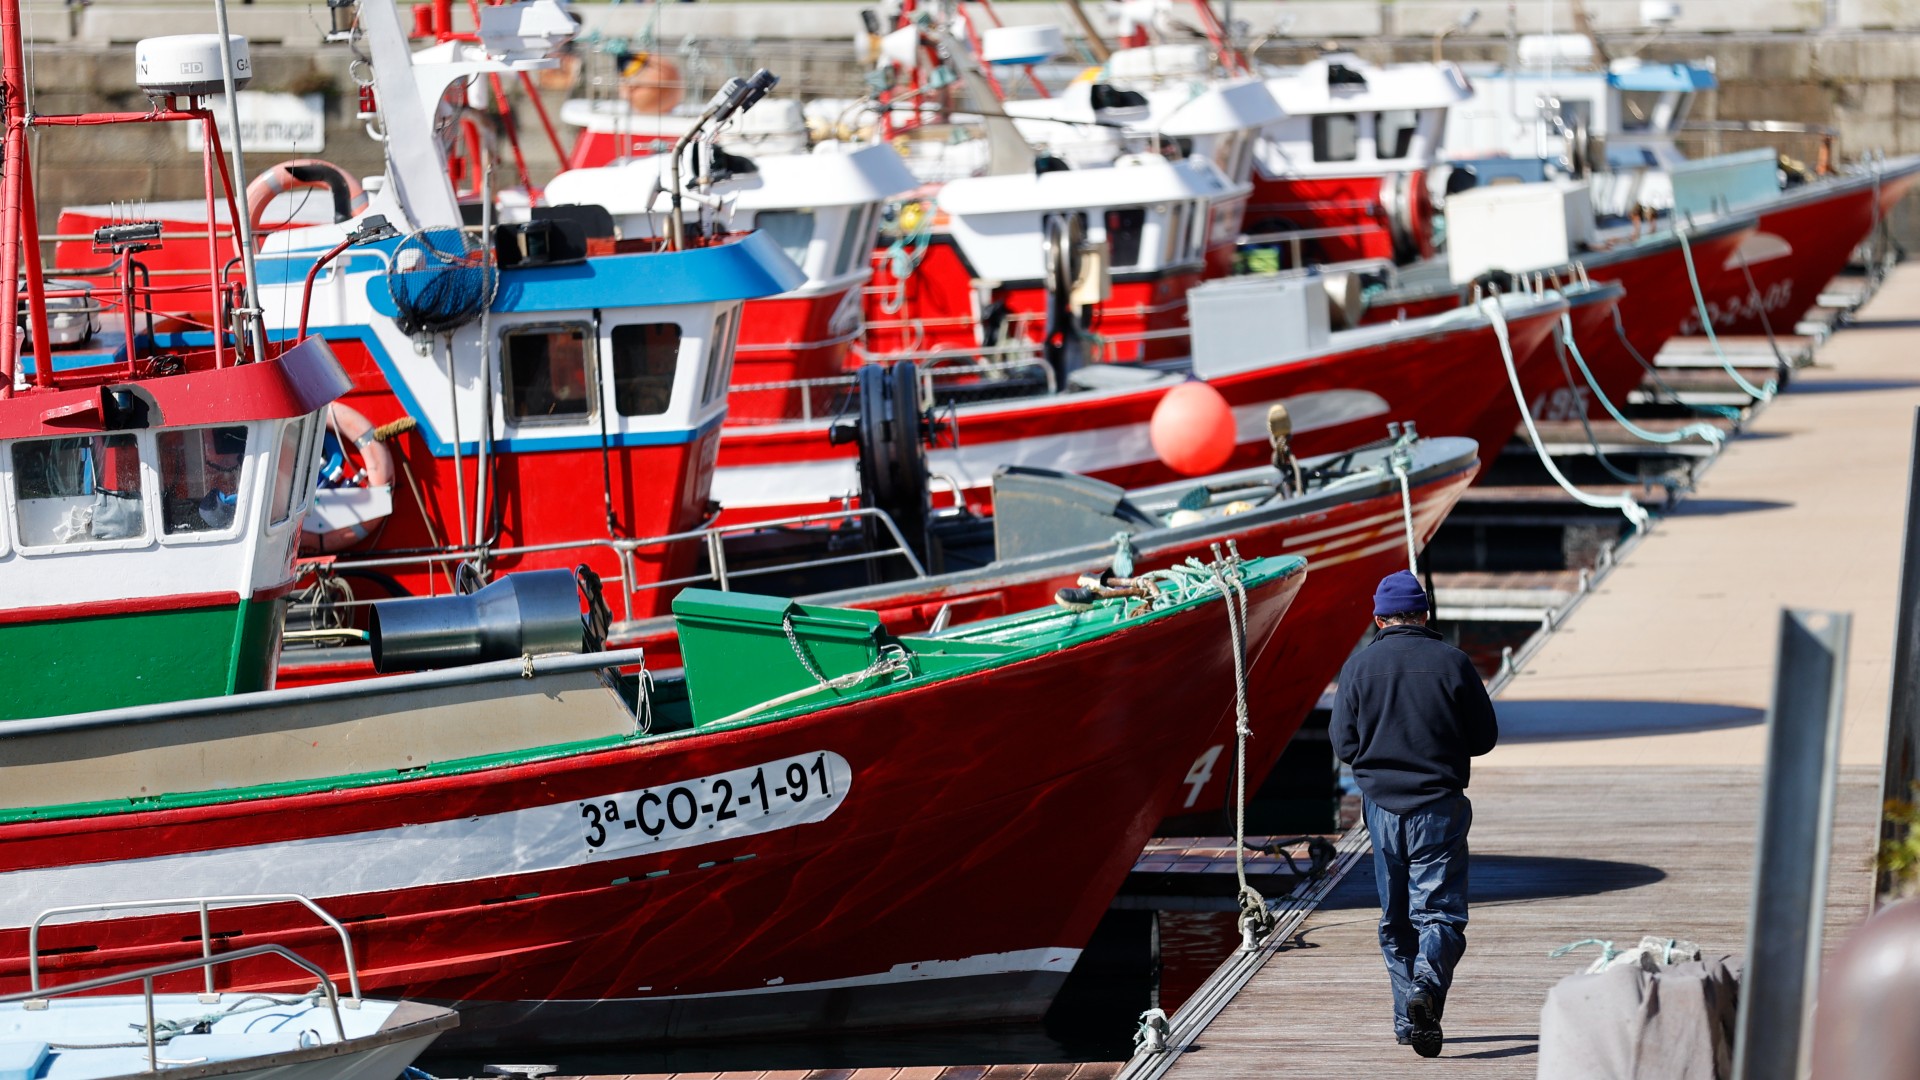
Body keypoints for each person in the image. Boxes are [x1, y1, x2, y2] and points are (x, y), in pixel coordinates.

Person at [1330, 569, 1498, 1058]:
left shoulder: (1359, 669)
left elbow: (1343, 744)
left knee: (1395, 919)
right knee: (1440, 913)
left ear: (1378, 618)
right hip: (1439, 807)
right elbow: (1484, 738)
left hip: (1382, 809)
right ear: (1424, 614)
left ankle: (1409, 1019)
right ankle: (1425, 987)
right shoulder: (1455, 663)